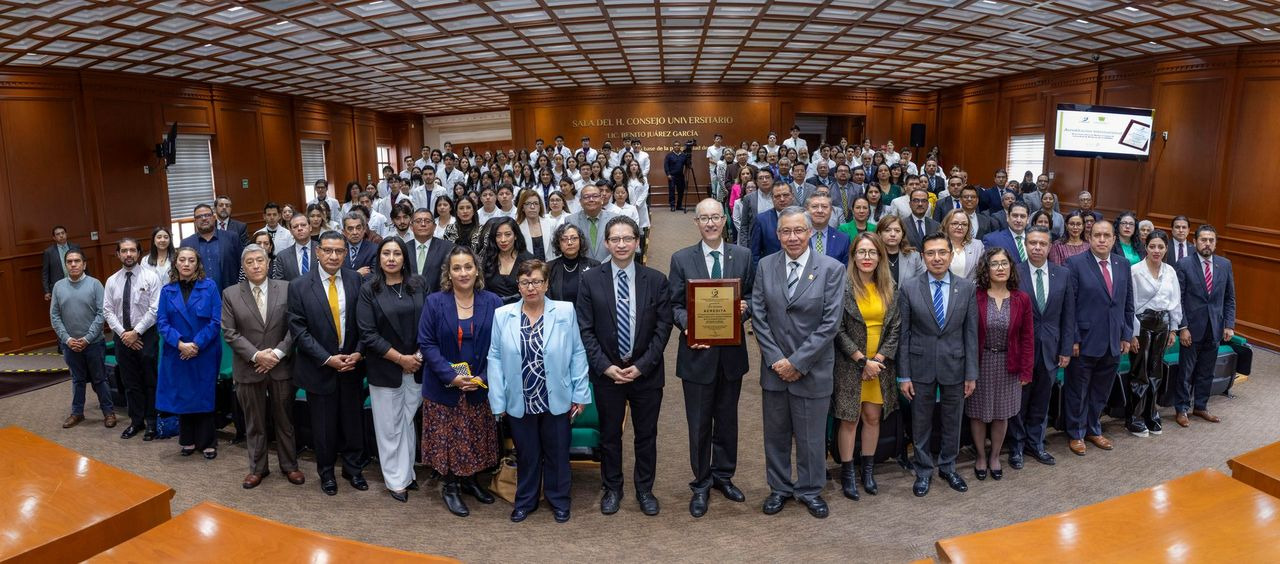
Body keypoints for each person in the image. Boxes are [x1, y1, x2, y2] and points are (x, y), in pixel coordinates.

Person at [576, 216, 673, 516]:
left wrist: (642, 366)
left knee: (646, 435)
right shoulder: (590, 280)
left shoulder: (655, 280)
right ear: (606, 242)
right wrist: (605, 367)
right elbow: (585, 329)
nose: (621, 244)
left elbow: (663, 328)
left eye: (627, 238)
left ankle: (644, 489)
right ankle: (612, 488)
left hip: (646, 374)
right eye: (615, 239)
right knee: (609, 435)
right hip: (608, 375)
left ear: (637, 241)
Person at [751, 207, 844, 519]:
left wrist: (798, 362)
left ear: (810, 233)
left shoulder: (831, 269)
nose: (792, 237)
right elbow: (759, 317)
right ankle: (779, 488)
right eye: (786, 232)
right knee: (775, 435)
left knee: (811, 437)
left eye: (798, 231)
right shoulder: (765, 266)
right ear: (778, 235)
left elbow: (830, 324)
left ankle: (809, 489)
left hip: (813, 370)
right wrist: (778, 360)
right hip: (775, 370)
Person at [487, 260, 591, 523]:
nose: (531, 287)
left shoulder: (565, 311)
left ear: (546, 284)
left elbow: (577, 352)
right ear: (518, 285)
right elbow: (495, 357)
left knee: (557, 453)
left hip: (555, 395)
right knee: (527, 453)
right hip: (520, 397)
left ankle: (559, 501)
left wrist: (580, 393)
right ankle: (525, 500)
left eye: (536, 282)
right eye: (525, 282)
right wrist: (497, 400)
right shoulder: (503, 314)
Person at [668, 199, 753, 517]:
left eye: (716, 216)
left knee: (728, 421)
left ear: (724, 219)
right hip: (696, 355)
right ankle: (701, 483)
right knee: (700, 424)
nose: (710, 223)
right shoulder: (681, 259)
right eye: (704, 218)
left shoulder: (743, 256)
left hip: (732, 355)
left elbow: (753, 295)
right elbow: (674, 304)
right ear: (696, 223)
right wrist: (690, 327)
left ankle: (723, 476)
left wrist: (745, 310)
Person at [419, 246, 502, 517]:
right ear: (449, 273)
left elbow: (502, 345)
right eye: (457, 268)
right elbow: (427, 344)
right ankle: (451, 487)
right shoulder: (434, 302)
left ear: (477, 270)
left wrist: (482, 377)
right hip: (444, 385)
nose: (463, 272)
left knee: (474, 437)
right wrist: (452, 377)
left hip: (479, 384)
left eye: (468, 267)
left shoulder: (493, 302)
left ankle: (470, 481)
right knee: (450, 440)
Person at [897, 232, 979, 497]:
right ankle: (923, 470)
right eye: (930, 253)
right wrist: (904, 375)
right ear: (923, 257)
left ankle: (948, 466)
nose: (937, 258)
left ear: (951, 254)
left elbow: (971, 333)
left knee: (952, 421)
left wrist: (971, 373)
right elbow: (904, 334)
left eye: (942, 252)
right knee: (921, 423)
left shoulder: (966, 288)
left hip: (955, 365)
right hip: (920, 367)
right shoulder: (909, 288)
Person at [287, 232, 368, 495]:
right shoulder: (299, 285)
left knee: (353, 423)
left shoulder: (356, 279)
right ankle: (326, 473)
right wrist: (327, 358)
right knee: (323, 428)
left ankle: (353, 469)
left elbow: (365, 323)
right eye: (328, 251)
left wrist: (358, 352)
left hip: (352, 366)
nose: (334, 256)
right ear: (318, 252)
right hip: (319, 368)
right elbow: (299, 330)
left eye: (339, 251)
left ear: (346, 254)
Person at [221, 244, 302, 488]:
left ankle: (290, 466)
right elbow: (229, 332)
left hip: (280, 366)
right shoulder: (231, 293)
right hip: (249, 368)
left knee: (285, 420)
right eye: (250, 262)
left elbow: (295, 326)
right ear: (243, 267)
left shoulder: (288, 288)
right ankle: (258, 468)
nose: (256, 265)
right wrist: (257, 356)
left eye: (260, 260)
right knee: (254, 422)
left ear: (268, 263)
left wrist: (276, 354)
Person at [357, 238, 428, 503]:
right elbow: (368, 333)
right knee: (389, 427)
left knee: (406, 422)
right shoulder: (369, 289)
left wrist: (418, 355)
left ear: (404, 257)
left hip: (418, 365)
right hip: (386, 367)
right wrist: (401, 359)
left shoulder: (418, 284)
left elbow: (429, 322)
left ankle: (407, 472)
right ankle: (395, 480)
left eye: (396, 253)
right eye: (385, 253)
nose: (391, 258)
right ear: (379, 258)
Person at [832, 232, 900, 500]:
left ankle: (867, 471)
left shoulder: (890, 287)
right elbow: (837, 329)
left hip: (880, 367)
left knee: (872, 417)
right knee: (850, 419)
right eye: (862, 252)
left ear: (880, 256)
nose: (867, 257)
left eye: (872, 252)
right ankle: (848, 472)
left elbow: (896, 328)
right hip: (851, 364)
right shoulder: (842, 286)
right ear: (853, 256)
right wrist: (862, 360)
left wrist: (879, 360)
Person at [1064, 220, 1135, 456]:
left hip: (1113, 340)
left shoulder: (1123, 264)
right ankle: (1075, 433)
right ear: (1089, 238)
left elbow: (1127, 303)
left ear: (1114, 239)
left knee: (1100, 391)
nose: (1102, 240)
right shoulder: (1074, 264)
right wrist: (1072, 339)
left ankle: (1093, 429)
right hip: (1084, 341)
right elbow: (1069, 306)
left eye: (1106, 235)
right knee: (1078, 390)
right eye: (1097, 235)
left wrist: (1126, 334)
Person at [966, 248, 1034, 482]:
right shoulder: (975, 296)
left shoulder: (1021, 298)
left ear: (1011, 267)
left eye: (1004, 263)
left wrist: (1026, 370)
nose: (1000, 268)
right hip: (980, 363)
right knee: (977, 413)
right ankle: (981, 457)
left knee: (1001, 414)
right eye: (995, 264)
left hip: (1009, 364)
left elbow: (1027, 338)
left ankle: (995, 456)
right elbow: (968, 336)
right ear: (987, 268)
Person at [1009, 227, 1074, 468]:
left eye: (1042, 244)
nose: (1037, 247)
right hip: (1021, 349)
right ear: (1025, 245)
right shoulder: (1013, 272)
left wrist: (1066, 348)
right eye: (1032, 243)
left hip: (1051, 349)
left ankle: (1035, 443)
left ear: (1049, 247)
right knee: (1019, 400)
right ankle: (1016, 445)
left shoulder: (1063, 274)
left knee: (1042, 398)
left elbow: (1068, 314)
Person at [156, 247, 222, 459]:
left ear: (197, 263)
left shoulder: (210, 287)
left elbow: (216, 321)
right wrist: (180, 344)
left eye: (191, 260)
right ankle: (188, 440)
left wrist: (196, 345)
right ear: (176, 263)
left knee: (203, 395)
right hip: (178, 352)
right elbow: (162, 322)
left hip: (204, 351)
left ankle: (208, 442)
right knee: (183, 395)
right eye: (182, 260)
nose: (186, 264)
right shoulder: (167, 291)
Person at [1174, 225, 1235, 426]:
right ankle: (1181, 408)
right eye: (1203, 240)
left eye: (1211, 240)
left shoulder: (1224, 264)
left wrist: (1228, 324)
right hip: (1191, 329)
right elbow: (1178, 299)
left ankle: (1200, 406)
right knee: (1186, 371)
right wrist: (1182, 327)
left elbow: (1229, 298)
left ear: (1215, 243)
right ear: (1195, 242)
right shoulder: (1183, 264)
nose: (1207, 244)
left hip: (1215, 328)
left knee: (1207, 371)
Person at [103, 238, 162, 440]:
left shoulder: (151, 277)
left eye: (132, 250)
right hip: (122, 337)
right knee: (130, 382)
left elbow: (155, 309)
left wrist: (136, 332)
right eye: (124, 251)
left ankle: (152, 422)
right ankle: (136, 422)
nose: (128, 254)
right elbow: (108, 311)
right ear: (118, 254)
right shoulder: (112, 281)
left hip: (146, 335)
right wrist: (124, 334)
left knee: (149, 380)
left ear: (138, 253)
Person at [51, 249, 115, 429]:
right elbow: (55, 316)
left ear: (84, 264)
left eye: (77, 261)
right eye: (69, 261)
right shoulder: (58, 286)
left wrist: (87, 338)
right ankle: (77, 413)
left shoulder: (95, 285)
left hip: (93, 343)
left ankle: (108, 412)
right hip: (69, 344)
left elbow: (101, 313)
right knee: (77, 380)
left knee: (99, 379)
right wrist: (67, 339)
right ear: (66, 265)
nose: (73, 264)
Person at [1126, 230, 1180, 437]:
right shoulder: (1135, 270)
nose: (1156, 251)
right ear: (1146, 247)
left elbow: (1175, 302)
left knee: (1156, 372)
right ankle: (1134, 418)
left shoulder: (1170, 272)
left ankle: (1151, 414)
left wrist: (1174, 329)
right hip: (1142, 323)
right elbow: (1129, 304)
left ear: (1166, 249)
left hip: (1163, 324)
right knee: (1140, 372)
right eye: (1152, 246)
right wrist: (1131, 333)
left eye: (1161, 247)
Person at [182, 203, 242, 290]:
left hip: (230, 293)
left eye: (207, 215)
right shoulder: (186, 243)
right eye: (199, 216)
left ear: (214, 218)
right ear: (195, 221)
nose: (204, 218)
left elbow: (242, 266)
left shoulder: (232, 237)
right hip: (199, 296)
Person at [564, 181, 617, 263]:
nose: (591, 200)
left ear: (601, 199)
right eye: (586, 197)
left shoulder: (614, 219)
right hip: (582, 268)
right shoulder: (570, 220)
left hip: (609, 266)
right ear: (581, 202)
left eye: (595, 196)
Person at [546, 223, 598, 305]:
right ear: (558, 243)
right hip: (559, 315)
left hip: (586, 315)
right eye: (564, 239)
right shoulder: (549, 268)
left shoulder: (594, 266)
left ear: (580, 241)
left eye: (574, 238)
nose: (569, 243)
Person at [749, 181, 796, 269]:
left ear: (792, 196)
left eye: (785, 195)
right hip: (771, 271)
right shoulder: (761, 220)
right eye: (777, 196)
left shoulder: (803, 217)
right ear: (772, 198)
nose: (782, 199)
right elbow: (754, 254)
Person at [805, 191, 851, 267]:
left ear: (831, 210)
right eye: (814, 206)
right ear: (807, 210)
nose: (820, 211)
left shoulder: (843, 239)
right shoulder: (797, 237)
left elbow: (845, 270)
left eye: (824, 207)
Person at [877, 215, 925, 285]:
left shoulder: (914, 256)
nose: (893, 234)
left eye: (897, 231)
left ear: (902, 234)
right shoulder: (874, 256)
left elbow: (921, 283)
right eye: (887, 230)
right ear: (879, 234)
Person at [940, 208, 984, 280]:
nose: (960, 227)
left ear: (968, 227)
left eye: (964, 224)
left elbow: (982, 273)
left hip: (970, 289)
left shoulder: (977, 245)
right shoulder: (937, 244)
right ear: (946, 224)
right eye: (955, 223)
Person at [43, 225, 82, 302]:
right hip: (59, 286)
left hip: (78, 282)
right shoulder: (49, 252)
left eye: (63, 233)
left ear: (66, 234)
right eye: (58, 234)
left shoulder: (75, 247)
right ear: (54, 238)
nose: (61, 236)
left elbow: (84, 265)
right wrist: (47, 291)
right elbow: (45, 273)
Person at [275, 214, 318, 282]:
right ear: (291, 231)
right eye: (295, 226)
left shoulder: (322, 249)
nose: (300, 228)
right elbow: (280, 283)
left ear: (310, 227)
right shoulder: (282, 256)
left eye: (303, 225)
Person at [517, 190, 556, 261]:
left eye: (535, 203)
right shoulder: (517, 227)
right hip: (527, 268)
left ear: (540, 206)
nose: (532, 207)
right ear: (522, 207)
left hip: (550, 267)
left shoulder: (551, 223)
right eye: (528, 203)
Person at [341, 212, 377, 277]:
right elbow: (336, 274)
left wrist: (347, 275)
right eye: (350, 229)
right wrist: (357, 274)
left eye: (358, 228)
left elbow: (373, 277)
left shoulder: (374, 250)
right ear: (344, 232)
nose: (355, 232)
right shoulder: (339, 250)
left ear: (364, 230)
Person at [665, 141, 688, 211]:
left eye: (678, 145)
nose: (677, 147)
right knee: (672, 191)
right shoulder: (669, 155)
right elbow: (666, 165)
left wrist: (685, 173)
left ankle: (679, 205)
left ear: (680, 146)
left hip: (681, 176)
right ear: (673, 147)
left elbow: (687, 165)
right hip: (672, 176)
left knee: (681, 191)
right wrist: (668, 174)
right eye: (675, 145)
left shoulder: (683, 155)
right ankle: (672, 206)